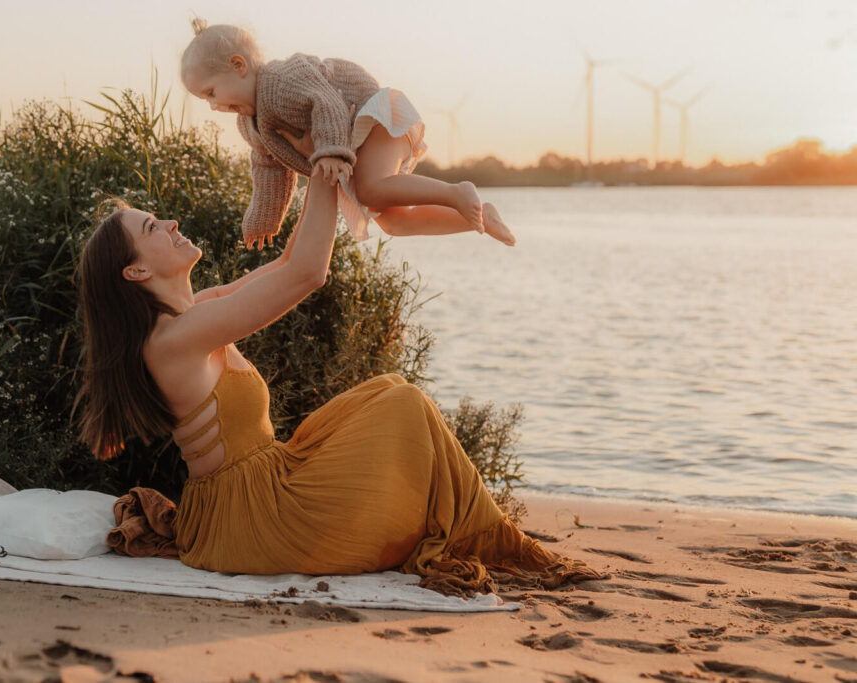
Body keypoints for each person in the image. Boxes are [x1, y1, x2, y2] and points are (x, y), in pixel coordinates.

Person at [76, 149, 601, 595]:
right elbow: (308, 272)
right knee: (406, 405)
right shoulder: (174, 340)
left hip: (262, 489)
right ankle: (489, 537)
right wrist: (330, 164)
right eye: (152, 228)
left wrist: (318, 166)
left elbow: (287, 262)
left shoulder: (196, 315)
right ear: (137, 271)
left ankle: (480, 532)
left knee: (388, 389)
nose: (170, 224)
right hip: (254, 519)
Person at [180, 19, 517, 250]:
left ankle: (457, 192)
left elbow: (326, 103)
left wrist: (328, 152)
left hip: (370, 117)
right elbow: (268, 170)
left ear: (239, 66)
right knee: (394, 223)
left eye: (211, 92)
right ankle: (480, 218)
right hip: (352, 141)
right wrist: (262, 218)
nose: (212, 106)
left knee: (371, 189)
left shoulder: (282, 79)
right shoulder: (251, 124)